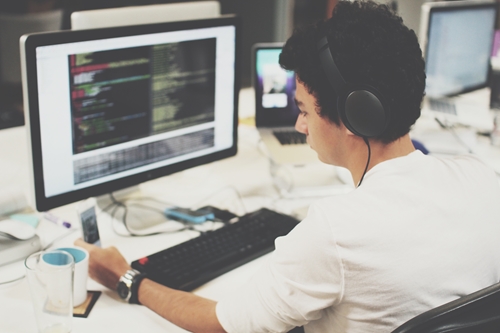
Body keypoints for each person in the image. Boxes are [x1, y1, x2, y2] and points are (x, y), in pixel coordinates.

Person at [76, 1, 500, 332]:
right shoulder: (483, 178)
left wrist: (126, 278)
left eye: (304, 111)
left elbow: (223, 324)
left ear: (357, 116)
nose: (300, 125)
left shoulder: (336, 232)